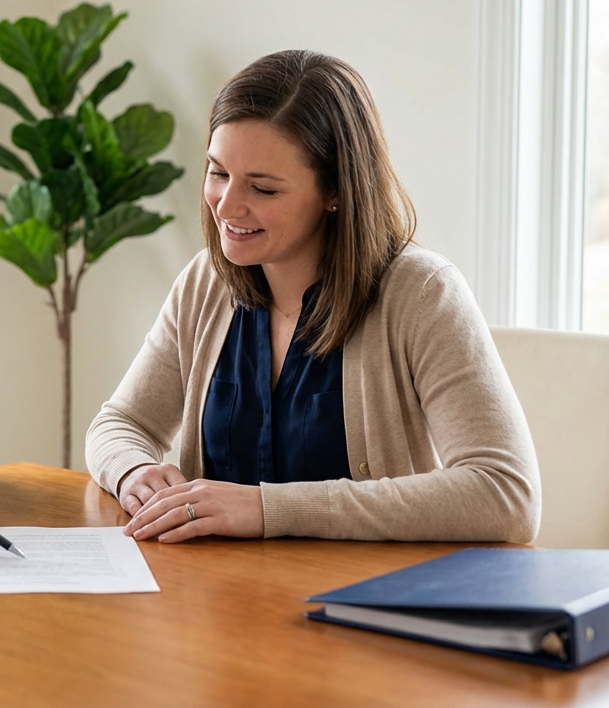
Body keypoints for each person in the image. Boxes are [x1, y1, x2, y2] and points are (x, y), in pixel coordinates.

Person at [85, 50, 541, 544]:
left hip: (368, 602)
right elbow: (121, 424)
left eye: (263, 188)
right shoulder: (207, 283)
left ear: (336, 191)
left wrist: (267, 509)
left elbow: (505, 494)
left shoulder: (423, 294)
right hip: (217, 601)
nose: (227, 205)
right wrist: (134, 473)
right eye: (218, 173)